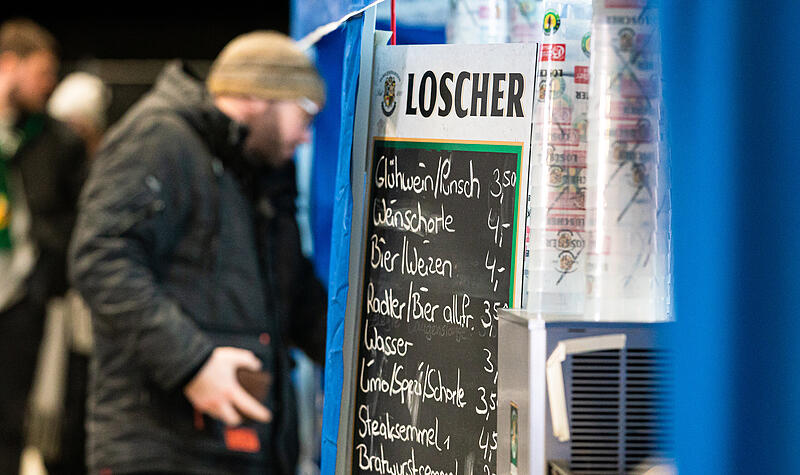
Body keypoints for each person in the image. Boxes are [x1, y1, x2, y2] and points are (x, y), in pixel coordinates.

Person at [69, 31, 328, 474]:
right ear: (259, 96)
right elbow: (100, 257)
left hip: (239, 448)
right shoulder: (160, 139)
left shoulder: (258, 172)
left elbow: (295, 294)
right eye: (305, 113)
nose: (307, 137)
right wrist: (192, 364)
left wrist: (374, 356)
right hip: (159, 447)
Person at [0, 18, 86, 475]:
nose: (49, 84)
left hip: (22, 301)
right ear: (9, 65)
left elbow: (78, 220)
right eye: (42, 72)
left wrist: (44, 272)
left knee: (14, 418)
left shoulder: (58, 140)